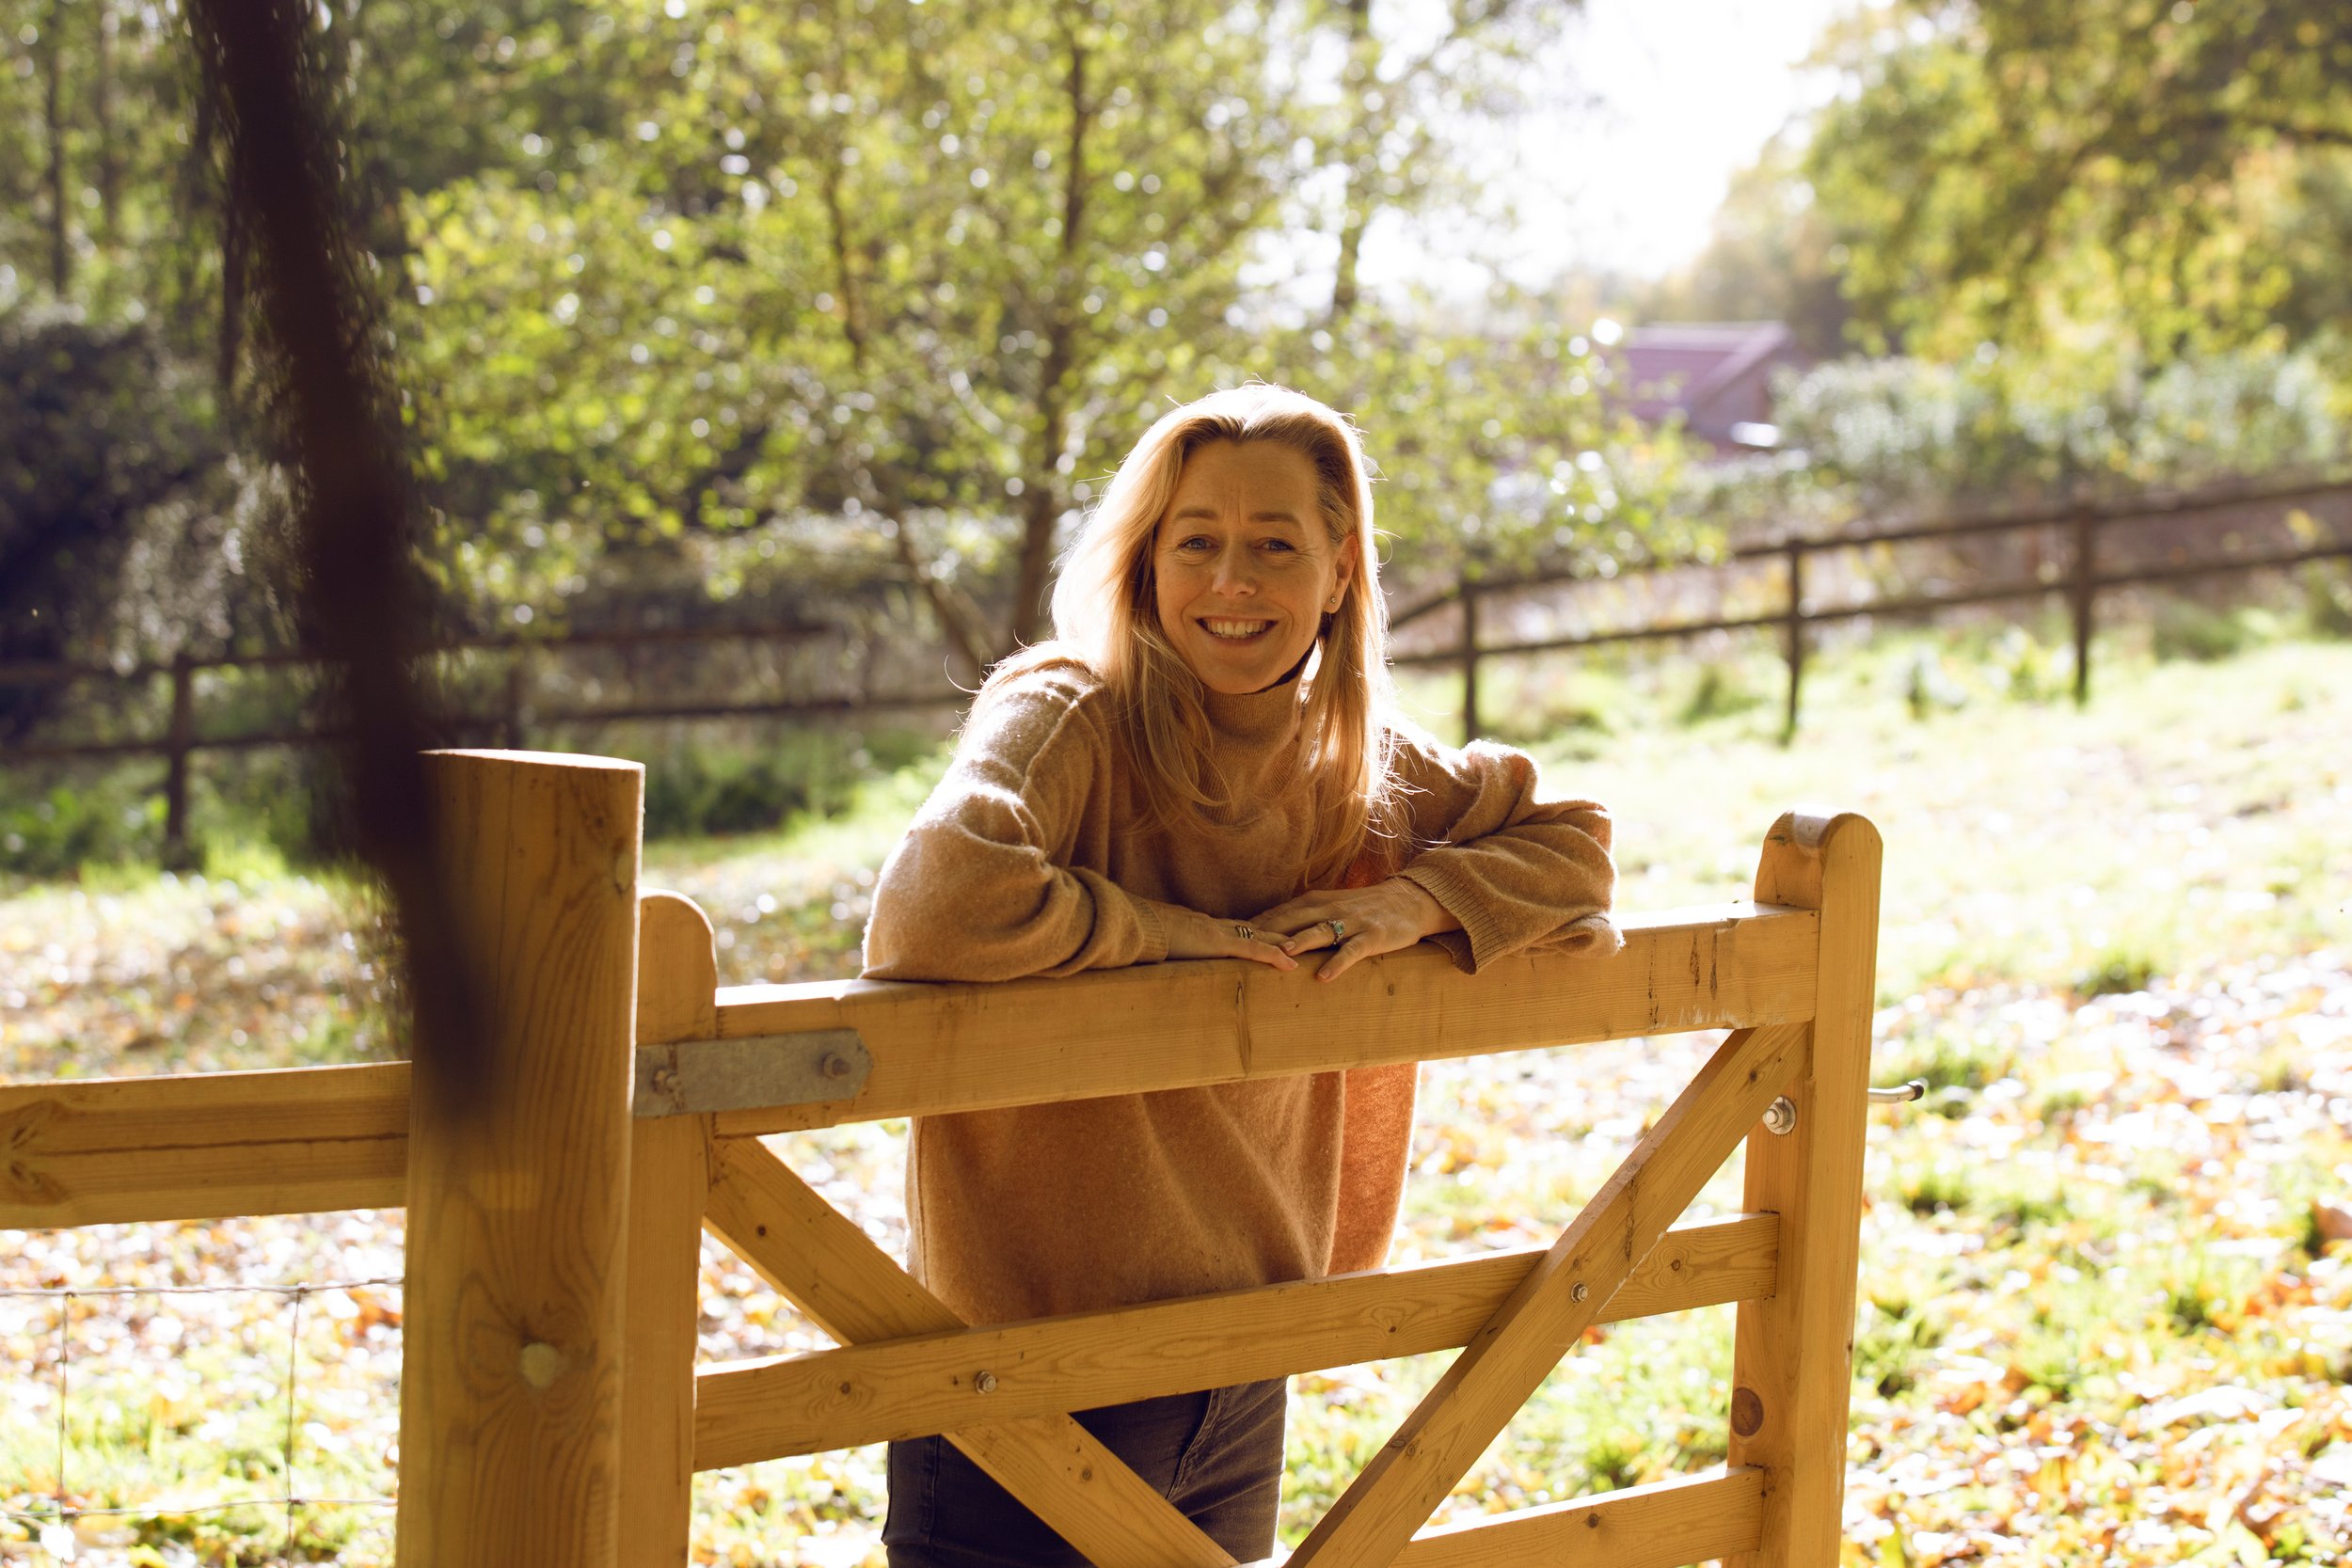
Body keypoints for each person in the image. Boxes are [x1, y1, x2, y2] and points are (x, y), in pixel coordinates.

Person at [862, 383, 1618, 1566]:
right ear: (1145, 561)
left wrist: (1409, 898)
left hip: (1242, 1339)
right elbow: (935, 899)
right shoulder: (1071, 709)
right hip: (1027, 1345)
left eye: (1275, 546)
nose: (1232, 583)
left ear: (1338, 568)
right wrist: (1162, 933)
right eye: (1196, 543)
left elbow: (1571, 846)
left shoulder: (1347, 749)